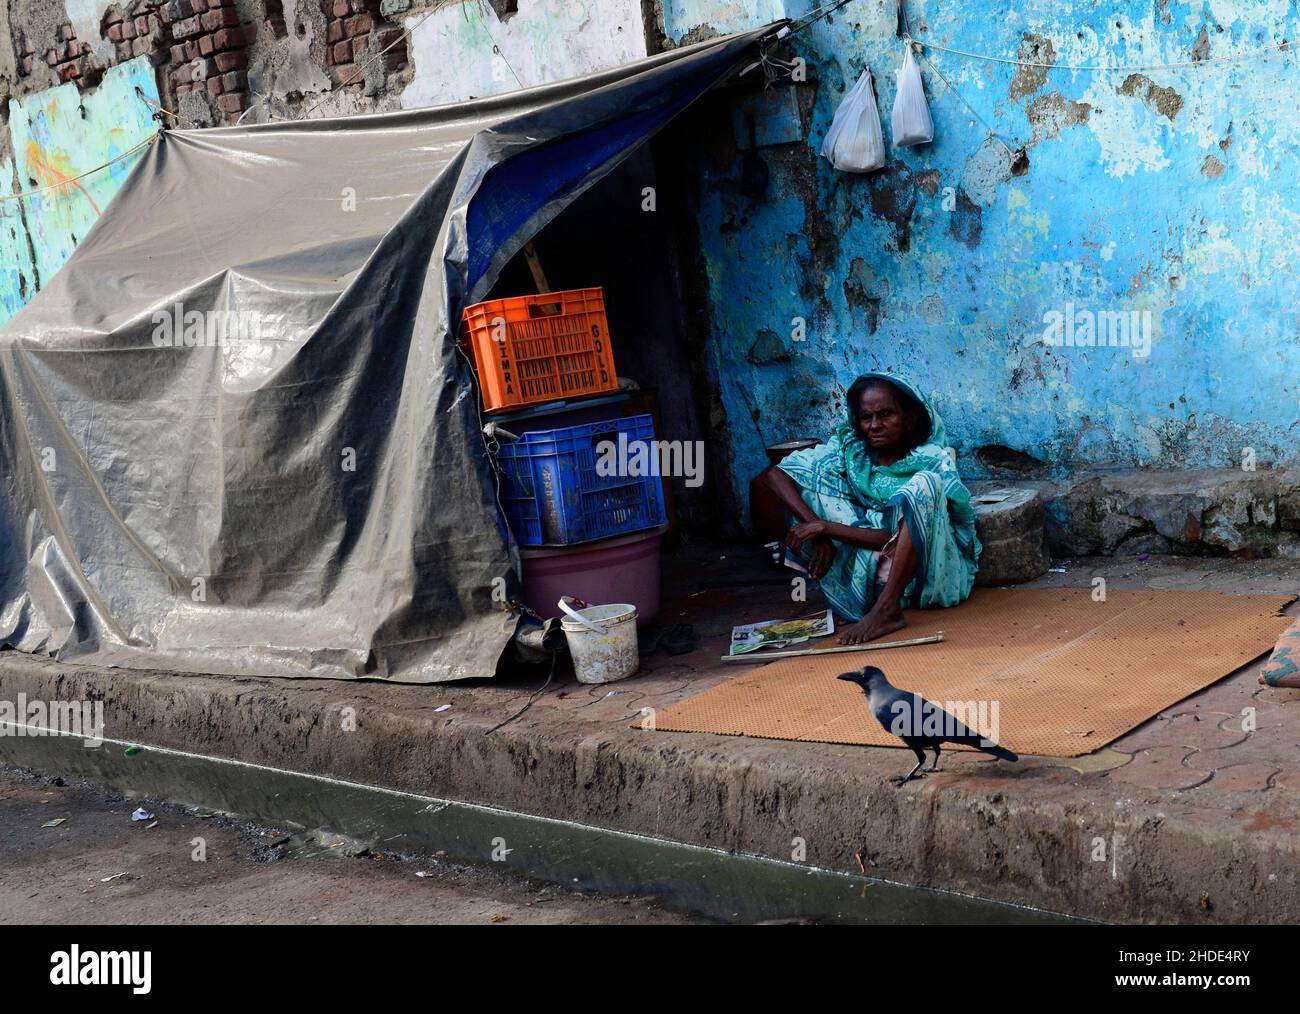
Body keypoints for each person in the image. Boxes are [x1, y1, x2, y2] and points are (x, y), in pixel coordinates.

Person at [760, 372, 979, 645]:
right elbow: (775, 476)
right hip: (868, 578)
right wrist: (820, 535)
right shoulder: (853, 454)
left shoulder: (932, 461)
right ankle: (864, 600)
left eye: (886, 414)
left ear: (910, 418)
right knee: (806, 483)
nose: (875, 425)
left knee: (925, 485)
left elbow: (889, 535)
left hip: (928, 576)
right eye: (866, 417)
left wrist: (825, 527)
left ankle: (888, 609)